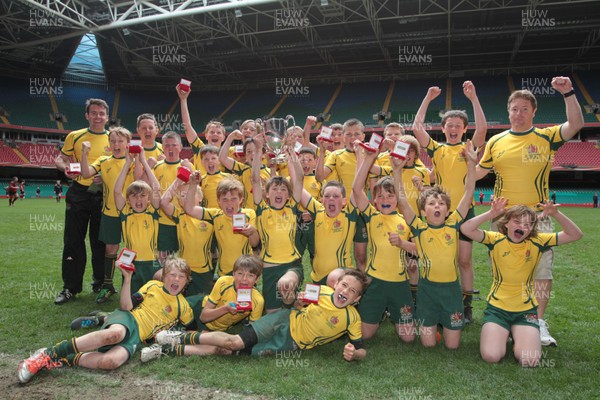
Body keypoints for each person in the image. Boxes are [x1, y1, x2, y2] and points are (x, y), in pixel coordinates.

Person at [476, 76, 584, 346]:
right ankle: (508, 319)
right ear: (508, 111)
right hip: (502, 217)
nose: (519, 113)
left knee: (541, 271)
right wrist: (462, 164)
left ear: (534, 112)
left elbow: (576, 124)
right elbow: (478, 172)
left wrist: (568, 93)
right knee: (504, 270)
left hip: (537, 217)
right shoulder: (495, 141)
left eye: (525, 109)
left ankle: (537, 322)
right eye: (515, 108)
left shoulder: (546, 137)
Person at [17, 256, 194, 383]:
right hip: (128, 318)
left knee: (110, 362)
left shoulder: (184, 308)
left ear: (187, 281)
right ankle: (46, 354)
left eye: (181, 276)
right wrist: (127, 279)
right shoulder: (153, 286)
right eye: (172, 274)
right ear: (164, 276)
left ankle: (65, 359)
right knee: (114, 334)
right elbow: (126, 306)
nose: (176, 279)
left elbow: (181, 333)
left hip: (137, 338)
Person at [460, 198, 583, 366]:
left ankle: (518, 334)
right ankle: (503, 333)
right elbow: (465, 228)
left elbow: (576, 234)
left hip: (525, 312)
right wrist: (491, 213)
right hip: (497, 310)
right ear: (507, 223)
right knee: (491, 356)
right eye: (517, 221)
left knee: (530, 360)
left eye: (527, 225)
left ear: (532, 228)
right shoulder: (495, 239)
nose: (522, 227)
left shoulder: (538, 242)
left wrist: (557, 214)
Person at [156, 269, 370, 361]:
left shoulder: (352, 319)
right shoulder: (322, 291)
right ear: (337, 284)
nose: (345, 292)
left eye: (353, 291)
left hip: (290, 344)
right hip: (282, 320)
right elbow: (291, 304)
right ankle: (177, 335)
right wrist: (296, 300)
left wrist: (354, 353)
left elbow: (361, 350)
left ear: (357, 300)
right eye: (344, 285)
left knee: (226, 351)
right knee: (235, 342)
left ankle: (170, 350)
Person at [413, 81, 487, 324]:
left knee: (464, 260)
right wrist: (427, 97)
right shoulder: (437, 150)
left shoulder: (469, 148)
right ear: (443, 129)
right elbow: (416, 128)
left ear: (464, 129)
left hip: (465, 212)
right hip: (439, 213)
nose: (454, 129)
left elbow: (483, 129)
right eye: (449, 125)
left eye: (458, 125)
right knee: (442, 260)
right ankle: (434, 299)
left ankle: (466, 307)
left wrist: (474, 98)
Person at [393, 140, 478, 349]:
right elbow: (402, 200)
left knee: (452, 347)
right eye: (431, 203)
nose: (437, 206)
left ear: (448, 210)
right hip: (427, 291)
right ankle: (431, 322)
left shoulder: (454, 223)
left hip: (451, 291)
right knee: (428, 345)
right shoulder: (419, 227)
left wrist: (471, 164)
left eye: (441, 203)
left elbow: (468, 193)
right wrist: (396, 171)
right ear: (423, 211)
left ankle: (448, 321)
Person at [139, 254, 265, 361]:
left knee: (221, 349)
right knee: (164, 319)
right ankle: (161, 335)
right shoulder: (224, 283)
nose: (244, 279)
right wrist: (226, 309)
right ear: (233, 274)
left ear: (257, 279)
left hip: (213, 328)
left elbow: (249, 333)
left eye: (250, 275)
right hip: (196, 310)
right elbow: (204, 317)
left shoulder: (257, 301)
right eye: (240, 273)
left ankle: (164, 350)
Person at [352, 146, 417, 342]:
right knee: (365, 335)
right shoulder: (372, 216)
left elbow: (420, 249)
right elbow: (356, 189)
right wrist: (369, 158)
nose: (385, 199)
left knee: (408, 338)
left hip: (399, 284)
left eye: (390, 196)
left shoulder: (407, 219)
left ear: (397, 199)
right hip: (375, 283)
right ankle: (376, 312)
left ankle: (391, 313)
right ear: (374, 200)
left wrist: (403, 244)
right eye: (380, 196)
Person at [54, 98, 110, 304]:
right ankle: (70, 287)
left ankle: (100, 283)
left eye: (101, 113)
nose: (97, 116)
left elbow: (123, 165)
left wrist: (106, 177)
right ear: (87, 115)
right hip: (78, 192)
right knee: (73, 241)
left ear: (107, 117)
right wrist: (64, 168)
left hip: (103, 194)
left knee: (100, 242)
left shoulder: (114, 138)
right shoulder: (74, 136)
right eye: (93, 113)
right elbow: (60, 159)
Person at [288, 144, 359, 286]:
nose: (331, 199)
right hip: (317, 278)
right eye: (327, 196)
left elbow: (358, 185)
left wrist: (362, 158)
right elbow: (297, 184)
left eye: (336, 196)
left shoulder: (349, 215)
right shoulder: (318, 210)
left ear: (344, 201)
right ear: (322, 199)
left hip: (341, 278)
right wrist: (292, 158)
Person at [80, 127, 135, 303]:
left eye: (120, 141)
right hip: (110, 213)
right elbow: (86, 173)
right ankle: (108, 286)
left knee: (136, 248)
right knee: (110, 249)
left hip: (133, 214)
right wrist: (84, 153)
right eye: (113, 141)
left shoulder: (134, 162)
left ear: (127, 143)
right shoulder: (103, 160)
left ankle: (135, 285)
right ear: (109, 144)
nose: (116, 144)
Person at [252, 138, 303, 312]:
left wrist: (292, 154)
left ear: (288, 195)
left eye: (283, 189)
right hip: (270, 268)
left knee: (286, 285)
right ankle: (294, 307)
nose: (279, 192)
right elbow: (254, 179)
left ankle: (293, 304)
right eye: (274, 188)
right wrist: (259, 151)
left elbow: (300, 179)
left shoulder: (291, 208)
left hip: (292, 264)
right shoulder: (262, 210)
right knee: (272, 314)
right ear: (267, 194)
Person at [316, 118, 368, 272]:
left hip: (360, 211)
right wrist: (323, 151)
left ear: (363, 136)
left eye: (357, 134)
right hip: (341, 211)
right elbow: (319, 177)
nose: (353, 139)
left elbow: (373, 183)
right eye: (349, 135)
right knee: (338, 253)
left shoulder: (369, 155)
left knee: (361, 256)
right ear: (344, 137)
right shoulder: (336, 155)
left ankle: (361, 289)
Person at [182, 174, 259, 277]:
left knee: (243, 294)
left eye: (233, 199)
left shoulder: (249, 213)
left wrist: (252, 232)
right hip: (224, 273)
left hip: (245, 272)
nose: (229, 203)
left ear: (241, 200)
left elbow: (254, 244)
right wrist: (193, 185)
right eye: (225, 199)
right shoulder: (215, 215)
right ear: (218, 201)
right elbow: (189, 209)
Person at [160, 161, 215, 296]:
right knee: (183, 300)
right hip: (184, 269)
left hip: (204, 270)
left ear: (200, 197)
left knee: (203, 302)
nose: (184, 199)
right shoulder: (180, 215)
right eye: (182, 196)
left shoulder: (209, 216)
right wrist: (178, 181)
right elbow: (163, 202)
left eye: (189, 194)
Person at [115, 150, 162, 294]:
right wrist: (128, 163)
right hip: (130, 262)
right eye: (134, 196)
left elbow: (156, 188)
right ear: (128, 200)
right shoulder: (125, 213)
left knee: (150, 298)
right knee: (131, 300)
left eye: (142, 196)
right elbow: (117, 191)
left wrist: (143, 162)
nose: (138, 199)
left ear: (148, 199)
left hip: (151, 262)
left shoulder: (153, 212)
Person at [218, 130, 271, 210]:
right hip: (248, 214)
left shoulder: (270, 172)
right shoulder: (242, 169)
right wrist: (230, 137)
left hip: (265, 215)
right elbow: (222, 158)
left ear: (263, 154)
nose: (252, 154)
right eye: (249, 151)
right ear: (245, 155)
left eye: (256, 150)